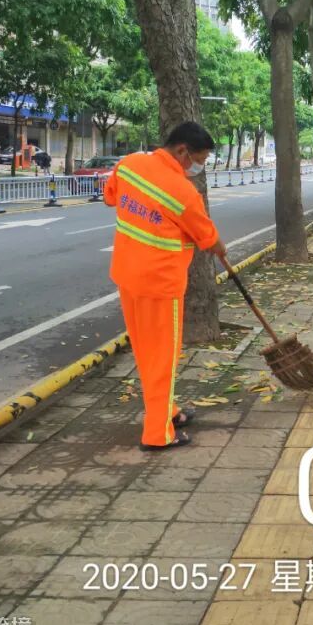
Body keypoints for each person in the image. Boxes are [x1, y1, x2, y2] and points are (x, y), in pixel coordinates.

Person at [103, 121, 226, 450]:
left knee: (147, 353)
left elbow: (110, 197)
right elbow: (206, 236)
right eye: (199, 159)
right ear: (183, 151)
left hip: (127, 276)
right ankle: (158, 434)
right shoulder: (183, 192)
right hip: (160, 284)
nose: (198, 167)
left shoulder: (129, 164)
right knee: (162, 359)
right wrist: (220, 247)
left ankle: (167, 410)